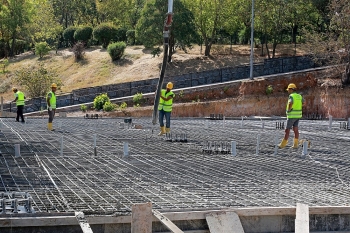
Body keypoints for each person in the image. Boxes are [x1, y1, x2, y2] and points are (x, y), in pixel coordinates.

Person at [279, 83, 305, 149]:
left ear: (291, 89)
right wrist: (298, 107)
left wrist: (289, 109)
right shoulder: (299, 96)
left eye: (288, 89)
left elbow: (290, 103)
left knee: (287, 130)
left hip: (291, 116)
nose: (288, 91)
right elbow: (304, 103)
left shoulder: (291, 96)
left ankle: (283, 144)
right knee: (295, 129)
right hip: (298, 116)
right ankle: (295, 144)